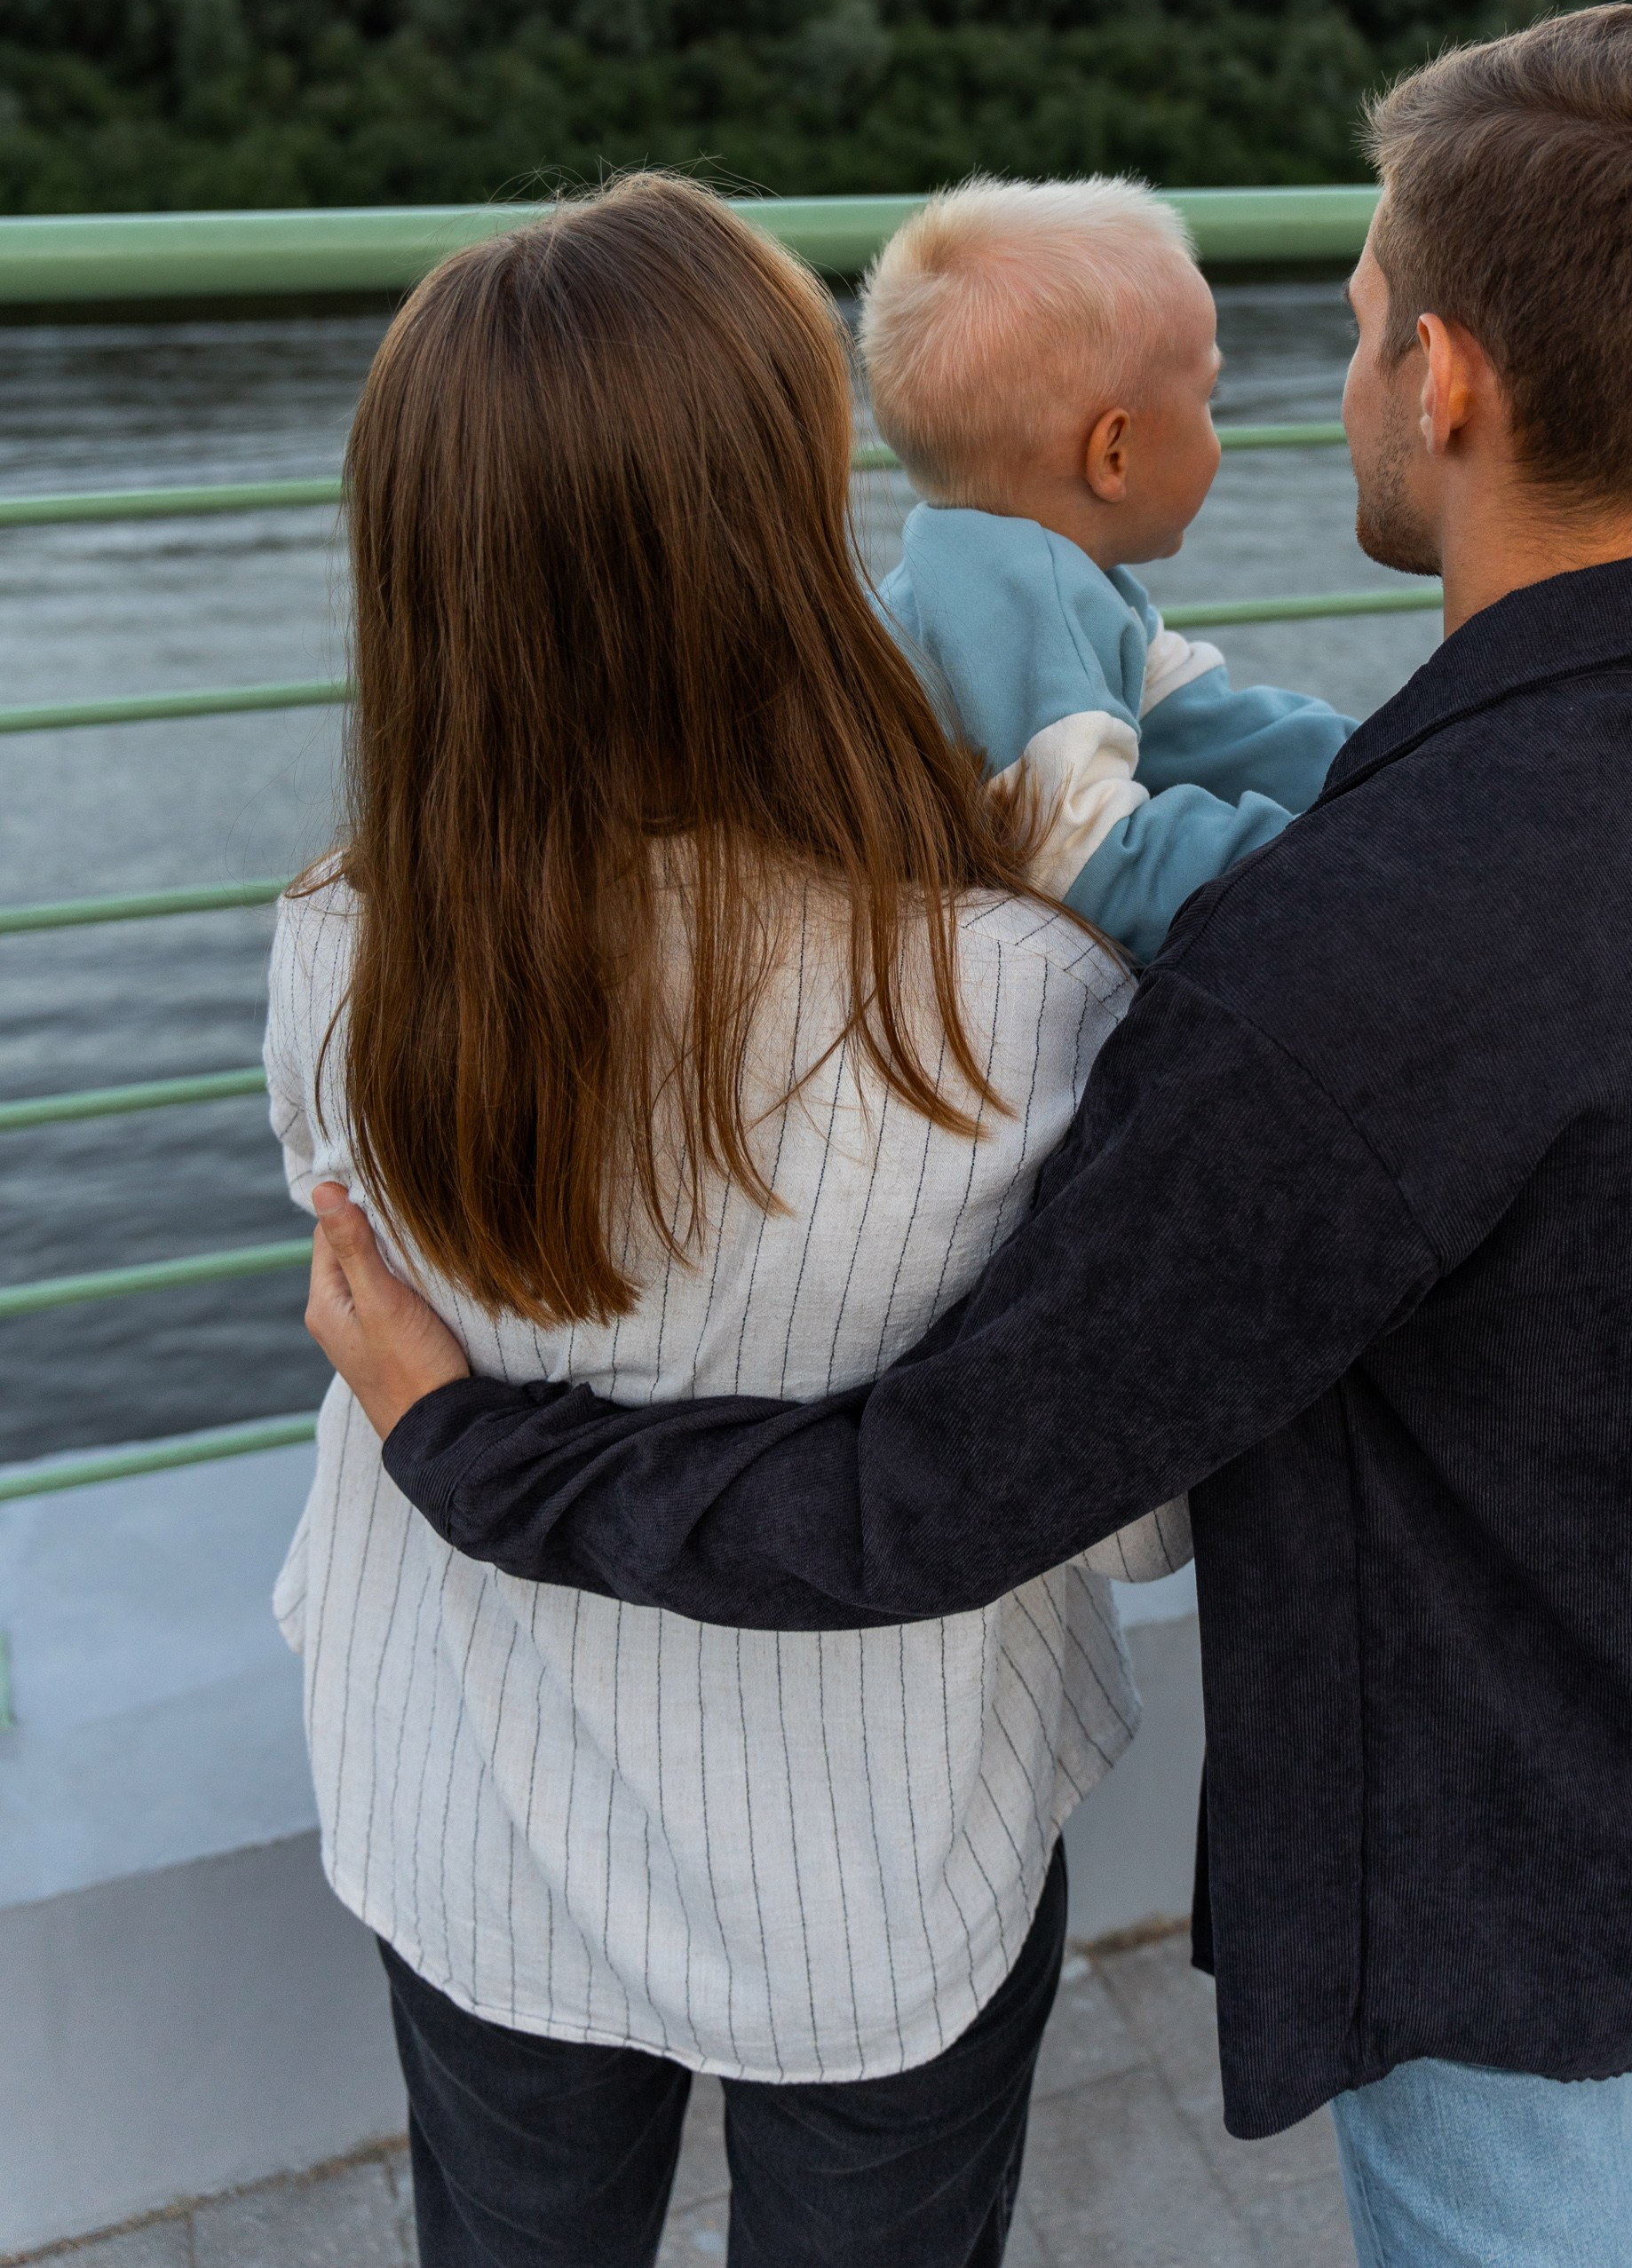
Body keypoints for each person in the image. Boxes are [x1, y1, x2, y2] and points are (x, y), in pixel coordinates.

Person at [311, 8, 1632, 2268]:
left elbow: (947, 1487)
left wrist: (465, 1444)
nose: (1340, 366)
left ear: (1449, 382)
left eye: (1361, 318)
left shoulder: (1330, 961)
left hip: (1509, 1849)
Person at [265, 172, 1188, 2268]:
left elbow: (353, 1286)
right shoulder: (1013, 999)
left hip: (470, 1794)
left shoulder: (341, 942)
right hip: (870, 1859)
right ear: (787, 530)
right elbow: (1116, 1498)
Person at [861, 174, 1354, 960]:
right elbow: (1084, 861)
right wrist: (1344, 860)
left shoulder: (1052, 578)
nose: (1217, 430)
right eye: (1211, 398)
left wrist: (1405, 760)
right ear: (1112, 454)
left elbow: (1208, 731)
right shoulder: (1017, 602)